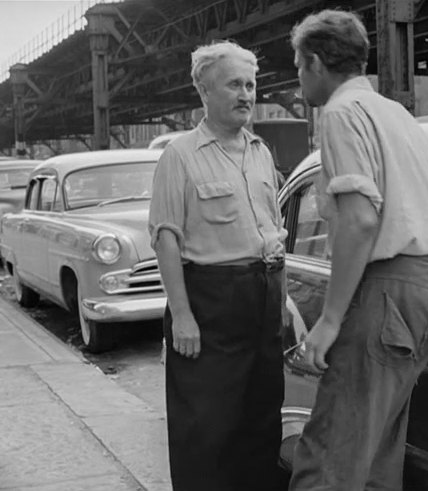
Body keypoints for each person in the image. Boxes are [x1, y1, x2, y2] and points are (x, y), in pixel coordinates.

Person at [288, 10, 428, 491]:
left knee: (330, 457)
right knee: (376, 458)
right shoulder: (396, 113)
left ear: (318, 62)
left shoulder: (342, 114)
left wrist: (327, 321)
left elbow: (361, 218)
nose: (298, 78)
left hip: (386, 290)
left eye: (299, 66)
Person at [148, 41, 287, 491]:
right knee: (205, 428)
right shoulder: (180, 155)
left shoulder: (261, 151)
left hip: (262, 298)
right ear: (204, 91)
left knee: (262, 417)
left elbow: (273, 231)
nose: (246, 94)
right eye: (234, 84)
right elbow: (166, 237)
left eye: (251, 84)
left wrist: (279, 300)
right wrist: (182, 315)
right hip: (209, 303)